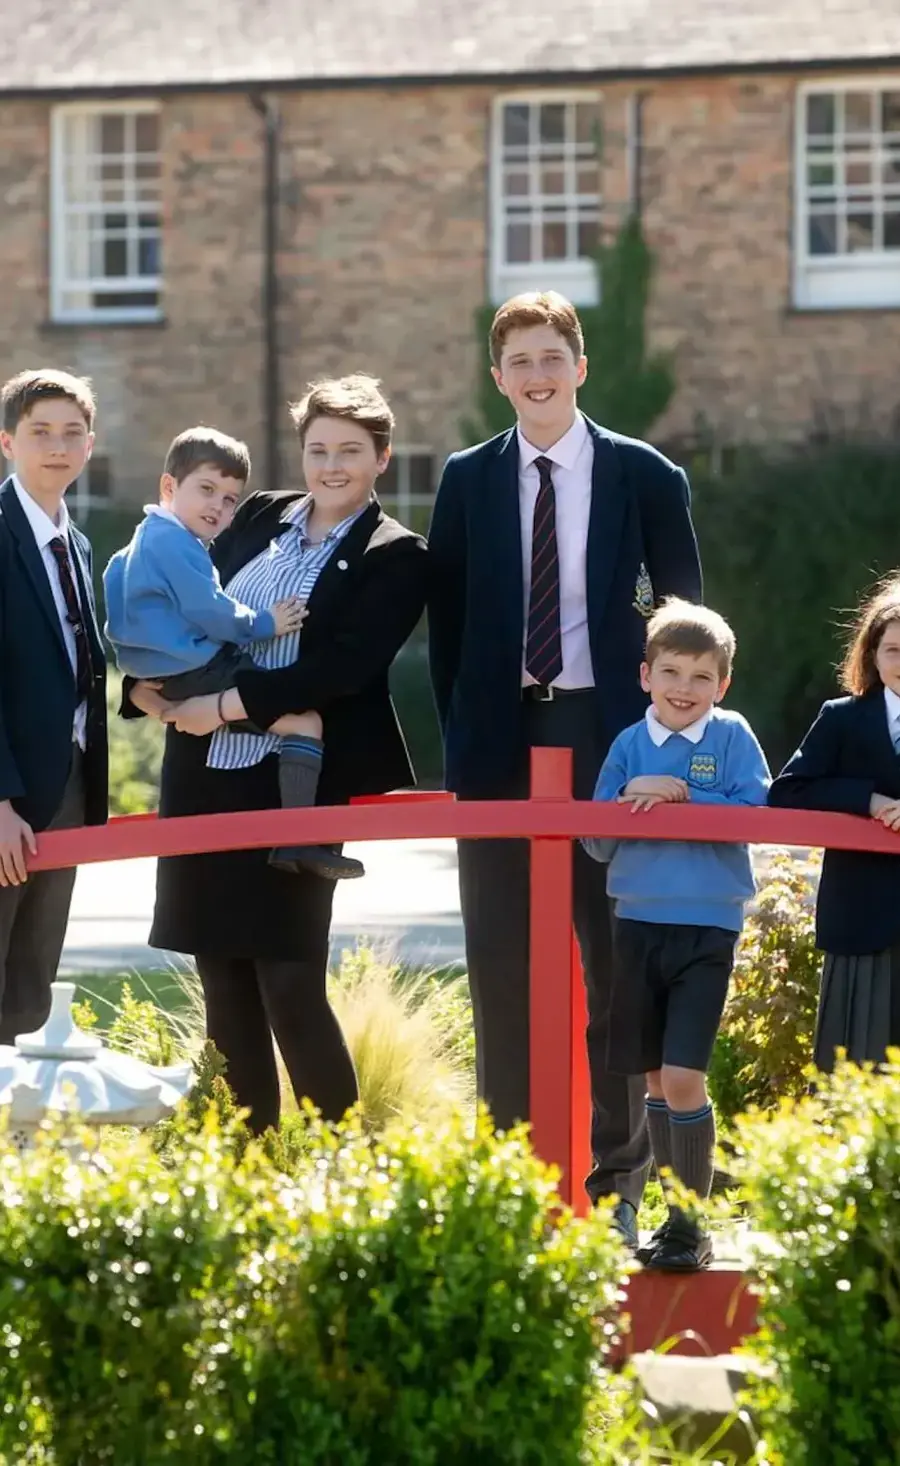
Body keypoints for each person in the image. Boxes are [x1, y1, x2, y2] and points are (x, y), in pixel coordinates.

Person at [428, 290, 702, 1245]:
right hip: (503, 742)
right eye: (519, 363)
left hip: (614, 741)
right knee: (501, 964)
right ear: (497, 377)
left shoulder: (646, 476)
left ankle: (618, 1180)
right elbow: (450, 631)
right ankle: (510, 1177)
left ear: (580, 368)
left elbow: (685, 624)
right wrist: (468, 753)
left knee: (620, 964)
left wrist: (675, 750)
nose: (536, 376)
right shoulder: (466, 479)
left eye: (552, 358)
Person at [125, 374, 428, 1133]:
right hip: (201, 777)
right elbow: (169, 598)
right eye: (318, 448)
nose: (330, 466)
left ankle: (348, 1174)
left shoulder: (398, 556)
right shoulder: (250, 516)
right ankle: (248, 1182)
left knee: (289, 981)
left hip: (295, 787)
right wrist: (148, 692)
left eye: (350, 452)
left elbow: (340, 672)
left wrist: (222, 706)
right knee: (223, 987)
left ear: (381, 458)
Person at [584, 600, 770, 1270]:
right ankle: (675, 1226)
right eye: (671, 672)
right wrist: (632, 793)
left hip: (707, 928)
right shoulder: (629, 746)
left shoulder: (732, 738)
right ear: (644, 675)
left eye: (701, 677)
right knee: (658, 1082)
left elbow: (757, 813)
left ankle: (692, 1226)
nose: (684, 688)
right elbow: (596, 840)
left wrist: (685, 798)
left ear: (722, 685)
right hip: (636, 925)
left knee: (686, 1078)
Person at [104, 426, 359, 881]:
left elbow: (116, 613)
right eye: (206, 489)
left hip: (165, 674)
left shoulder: (136, 544)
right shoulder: (178, 545)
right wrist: (267, 623)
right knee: (305, 721)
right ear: (169, 486)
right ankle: (298, 840)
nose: (217, 507)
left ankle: (168, 708)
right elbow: (211, 610)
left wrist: (142, 669)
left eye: (228, 499)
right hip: (201, 668)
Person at [0, 368, 107, 1041]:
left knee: (31, 979)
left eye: (72, 433)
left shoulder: (79, 542)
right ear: (8, 442)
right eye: (40, 432)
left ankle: (18, 1139)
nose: (57, 446)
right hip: (8, 798)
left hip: (67, 786)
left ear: (90, 445)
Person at [770, 574, 900, 1071]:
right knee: (851, 1078)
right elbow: (788, 791)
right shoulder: (842, 717)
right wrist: (866, 800)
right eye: (893, 650)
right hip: (858, 918)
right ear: (871, 654)